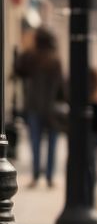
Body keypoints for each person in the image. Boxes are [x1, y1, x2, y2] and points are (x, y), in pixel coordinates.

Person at [14, 27, 64, 188]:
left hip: (34, 106)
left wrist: (25, 48)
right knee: (51, 144)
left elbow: (17, 70)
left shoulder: (30, 57)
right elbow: (61, 86)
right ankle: (49, 177)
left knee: (35, 143)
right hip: (51, 108)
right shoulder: (55, 60)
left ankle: (36, 175)